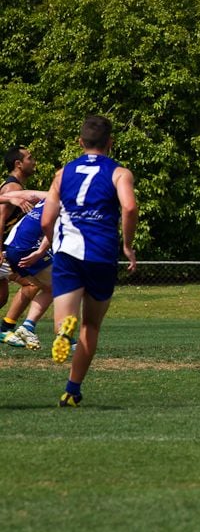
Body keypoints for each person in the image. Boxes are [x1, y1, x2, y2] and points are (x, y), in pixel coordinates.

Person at [41, 115, 138, 406]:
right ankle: (72, 390)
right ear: (110, 142)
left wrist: (55, 241)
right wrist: (128, 245)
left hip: (68, 251)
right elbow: (130, 207)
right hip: (101, 254)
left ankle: (64, 330)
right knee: (91, 325)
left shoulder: (62, 173)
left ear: (80, 142)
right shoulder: (119, 173)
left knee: (64, 319)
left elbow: (47, 218)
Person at [0, 144, 41, 346]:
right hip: (3, 251)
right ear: (18, 164)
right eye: (30, 158)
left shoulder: (16, 187)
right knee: (33, 283)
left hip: (8, 250)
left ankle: (4, 329)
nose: (34, 162)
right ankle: (5, 329)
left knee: (2, 296)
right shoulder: (12, 188)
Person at [2, 195, 53, 350]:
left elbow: (26, 195)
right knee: (62, 286)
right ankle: (64, 336)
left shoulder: (51, 195)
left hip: (11, 248)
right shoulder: (13, 187)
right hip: (15, 249)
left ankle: (7, 328)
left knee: (28, 286)